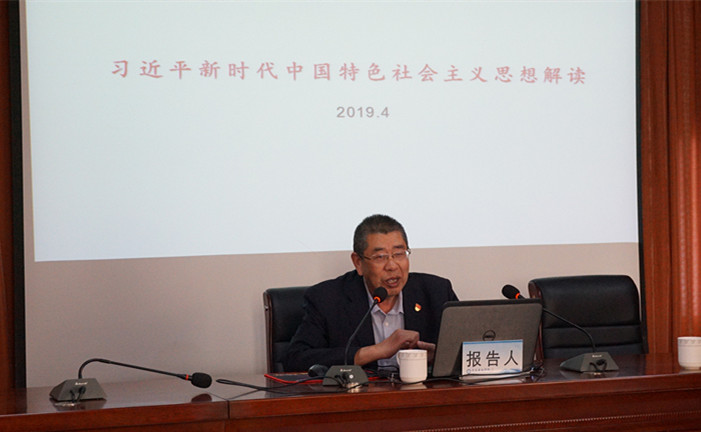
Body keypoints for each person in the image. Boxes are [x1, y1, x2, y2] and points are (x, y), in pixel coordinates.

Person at [283, 214, 458, 373]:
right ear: (358, 262)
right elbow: (295, 359)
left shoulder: (437, 292)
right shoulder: (327, 299)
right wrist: (375, 351)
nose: (392, 266)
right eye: (380, 257)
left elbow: (468, 349)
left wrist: (441, 357)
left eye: (399, 254)